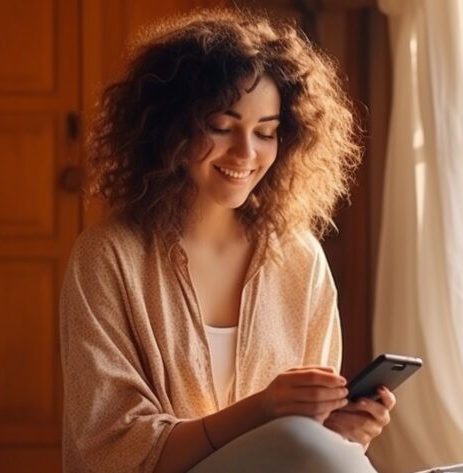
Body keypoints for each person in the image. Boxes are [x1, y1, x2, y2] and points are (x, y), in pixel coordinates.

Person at [59, 8, 384, 473]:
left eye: (266, 132)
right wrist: (264, 411)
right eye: (221, 127)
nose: (246, 153)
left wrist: (344, 433)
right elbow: (109, 451)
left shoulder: (300, 258)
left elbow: (310, 444)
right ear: (171, 127)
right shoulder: (108, 257)